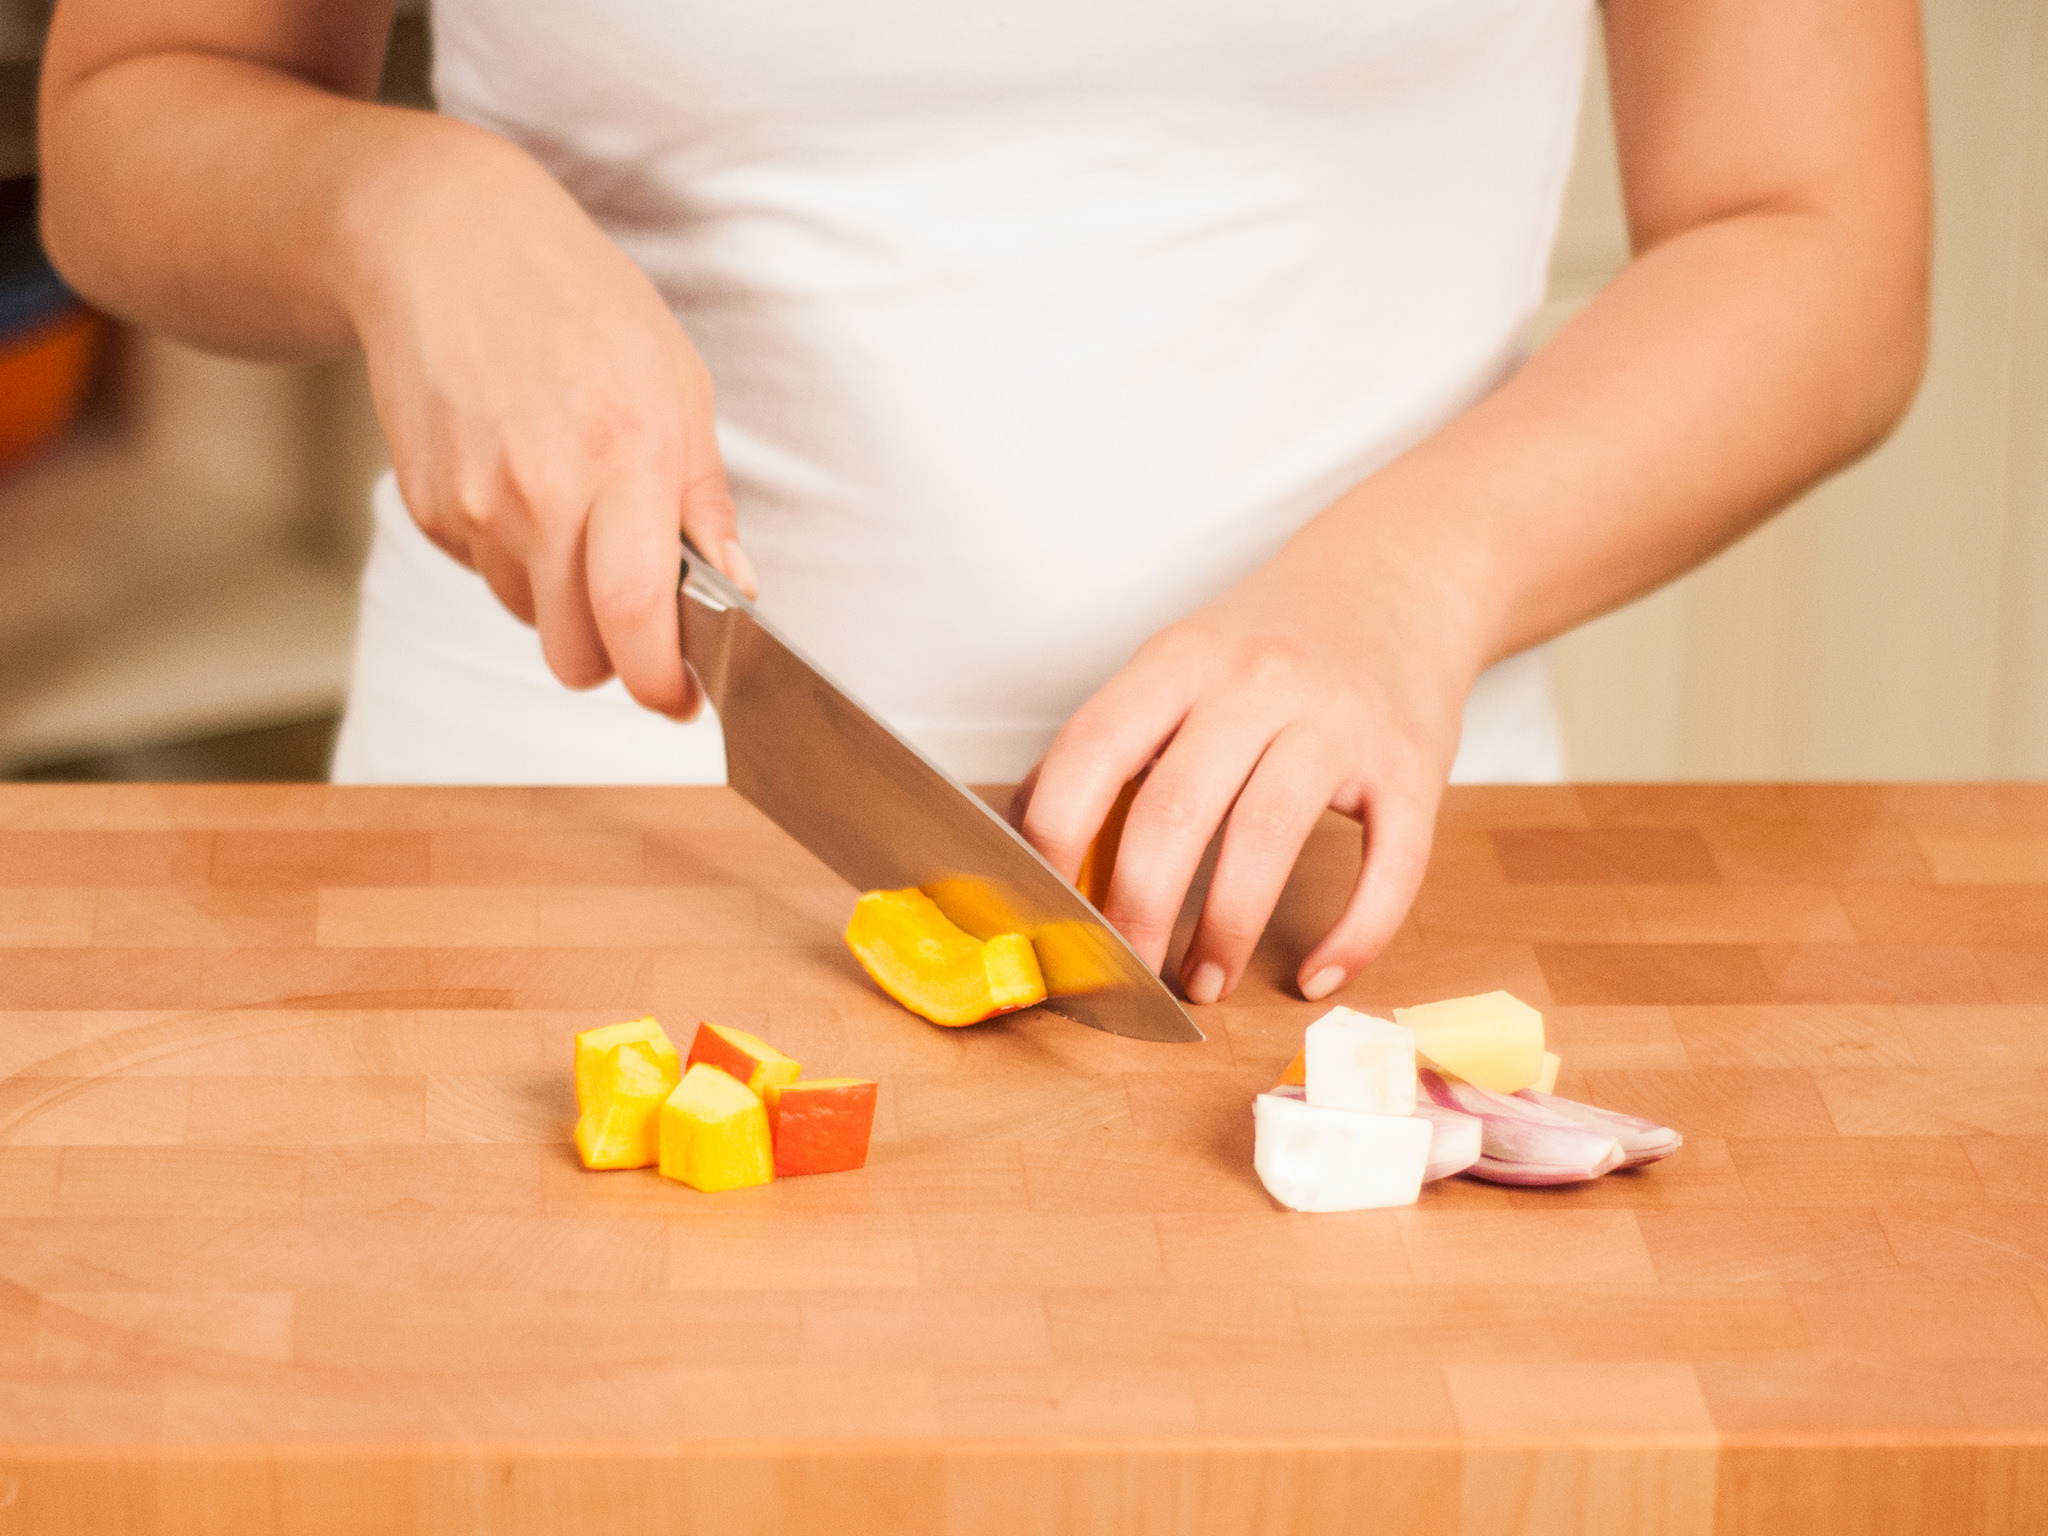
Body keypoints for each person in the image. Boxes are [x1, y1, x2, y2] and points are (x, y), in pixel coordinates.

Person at [36, 0, 1928, 1006]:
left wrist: (1409, 586)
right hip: (542, 863)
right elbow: (133, 111)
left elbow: (1820, 238)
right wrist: (403, 209)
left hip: (1329, 929)